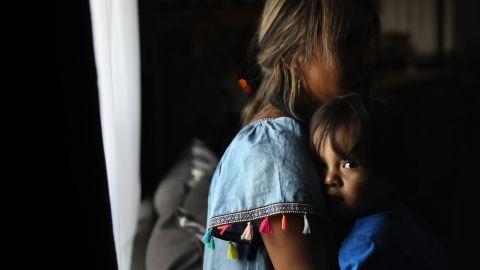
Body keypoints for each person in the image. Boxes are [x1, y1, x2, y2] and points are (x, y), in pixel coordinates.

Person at [203, 0, 379, 269]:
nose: (370, 57)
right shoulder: (274, 150)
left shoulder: (313, 134)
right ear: (294, 56)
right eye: (348, 41)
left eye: (369, 38)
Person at [309, 93, 449, 270]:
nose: (329, 179)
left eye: (349, 164)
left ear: (388, 170)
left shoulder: (366, 245)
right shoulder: (407, 218)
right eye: (322, 165)